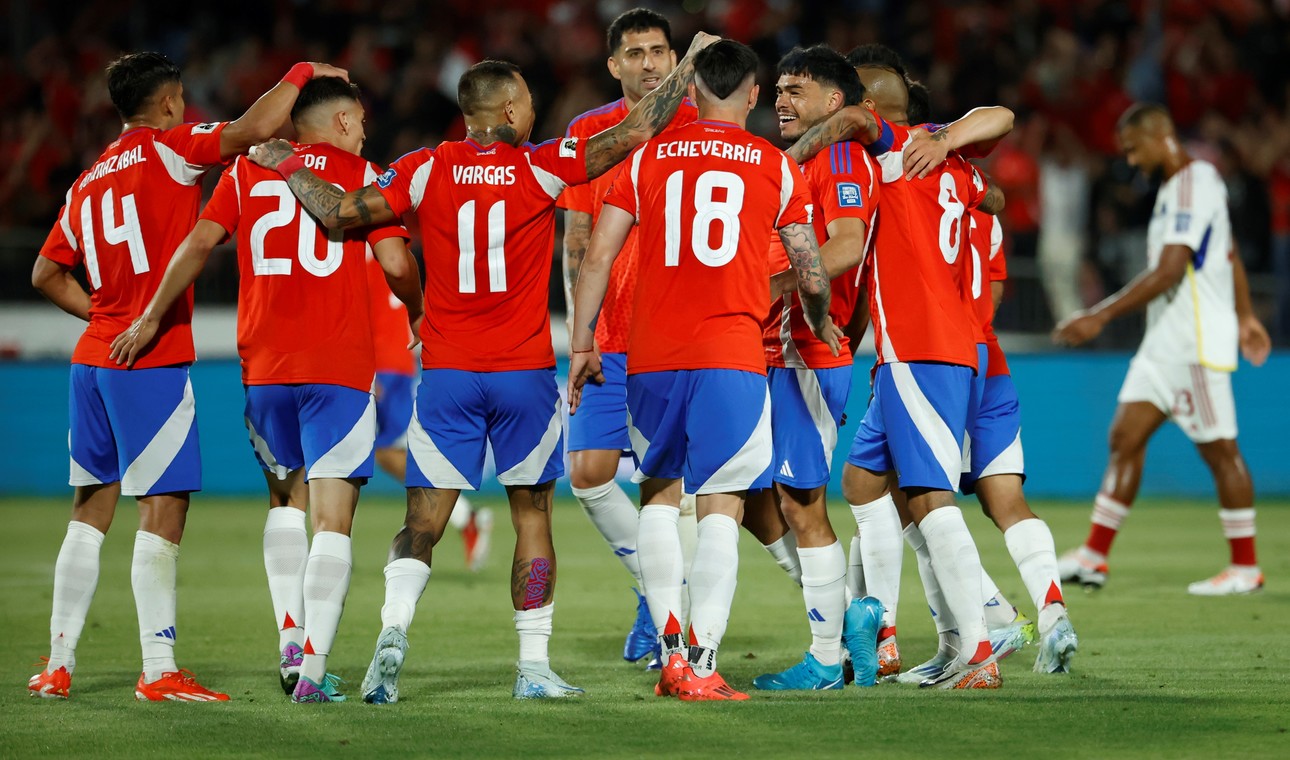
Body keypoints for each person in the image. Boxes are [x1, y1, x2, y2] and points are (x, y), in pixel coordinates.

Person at [250, 32, 717, 701]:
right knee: (532, 518)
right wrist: (689, 62)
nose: (532, 116)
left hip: (446, 374)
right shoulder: (541, 165)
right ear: (503, 112)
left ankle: (394, 631)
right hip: (522, 375)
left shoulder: (422, 167)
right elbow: (639, 127)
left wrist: (283, 161)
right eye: (525, 105)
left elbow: (337, 215)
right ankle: (532, 666)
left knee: (422, 522)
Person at [27, 51, 344, 702]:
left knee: (89, 512)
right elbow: (256, 130)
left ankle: (57, 664)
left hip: (92, 360)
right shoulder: (172, 150)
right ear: (170, 102)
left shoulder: (86, 182)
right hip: (149, 359)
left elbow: (44, 274)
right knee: (164, 508)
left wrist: (107, 315)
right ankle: (158, 668)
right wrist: (302, 72)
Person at [111, 77, 422, 703]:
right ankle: (311, 673)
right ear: (338, 123)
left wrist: (149, 316)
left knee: (286, 503)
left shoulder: (246, 174)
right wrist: (420, 314)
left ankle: (288, 638)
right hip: (337, 367)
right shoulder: (365, 173)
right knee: (335, 520)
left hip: (265, 369)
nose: (365, 130)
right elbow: (393, 264)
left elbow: (199, 244)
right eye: (359, 119)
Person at [569, 39, 839, 702]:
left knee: (658, 494)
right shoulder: (776, 167)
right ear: (752, 94)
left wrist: (581, 345)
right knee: (721, 502)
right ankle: (702, 659)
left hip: (651, 356)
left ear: (691, 92)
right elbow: (808, 266)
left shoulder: (646, 157)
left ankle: (669, 654)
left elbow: (597, 256)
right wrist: (822, 315)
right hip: (731, 357)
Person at [784, 68, 1014, 690]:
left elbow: (859, 123)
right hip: (908, 349)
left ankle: (982, 647)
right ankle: (923, 639)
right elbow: (998, 132)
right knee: (863, 482)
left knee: (929, 499)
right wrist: (954, 148)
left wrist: (788, 157)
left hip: (922, 345)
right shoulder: (948, 162)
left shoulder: (890, 150)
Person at [1054, 103, 1271, 596]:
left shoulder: (1195, 182)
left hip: (1192, 342)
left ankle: (1245, 567)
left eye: (1132, 149)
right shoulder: (1179, 188)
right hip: (1163, 343)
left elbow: (1172, 269)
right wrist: (1247, 315)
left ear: (1159, 136)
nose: (1129, 161)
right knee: (1124, 438)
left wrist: (1100, 314)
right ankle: (1093, 555)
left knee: (1220, 450)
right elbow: (1229, 251)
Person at [558, 7, 699, 667]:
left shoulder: (703, 126)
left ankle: (665, 615)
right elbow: (578, 243)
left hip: (681, 335)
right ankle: (654, 586)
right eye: (635, 53)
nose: (649, 63)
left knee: (670, 486)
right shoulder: (590, 132)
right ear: (613, 64)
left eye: (659, 51)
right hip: (610, 334)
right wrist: (578, 332)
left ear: (675, 59)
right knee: (587, 474)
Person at [747, 45, 885, 692]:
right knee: (762, 497)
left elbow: (847, 244)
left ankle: (828, 659)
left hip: (805, 349)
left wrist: (764, 290)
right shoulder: (795, 161)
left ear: (835, 102)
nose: (781, 99)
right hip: (781, 350)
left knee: (803, 505)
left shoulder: (838, 156)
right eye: (778, 88)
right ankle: (845, 617)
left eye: (797, 90)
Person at [366, 255, 492, 574]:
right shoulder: (391, 251)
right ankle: (460, 516)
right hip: (398, 360)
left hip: (382, 364)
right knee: (389, 451)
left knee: (387, 452)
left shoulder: (359, 254)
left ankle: (460, 517)